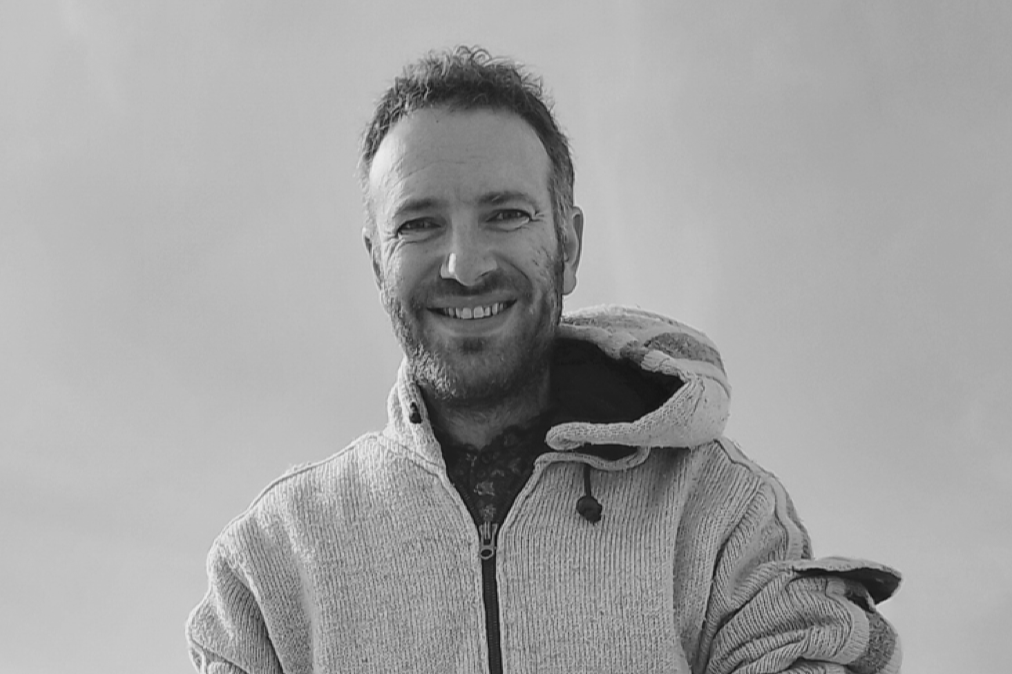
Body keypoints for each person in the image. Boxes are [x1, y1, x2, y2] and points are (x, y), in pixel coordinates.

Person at [186, 46, 902, 674]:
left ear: (569, 246)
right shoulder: (273, 563)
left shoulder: (718, 513)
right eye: (419, 224)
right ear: (378, 264)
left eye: (506, 214)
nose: (465, 265)